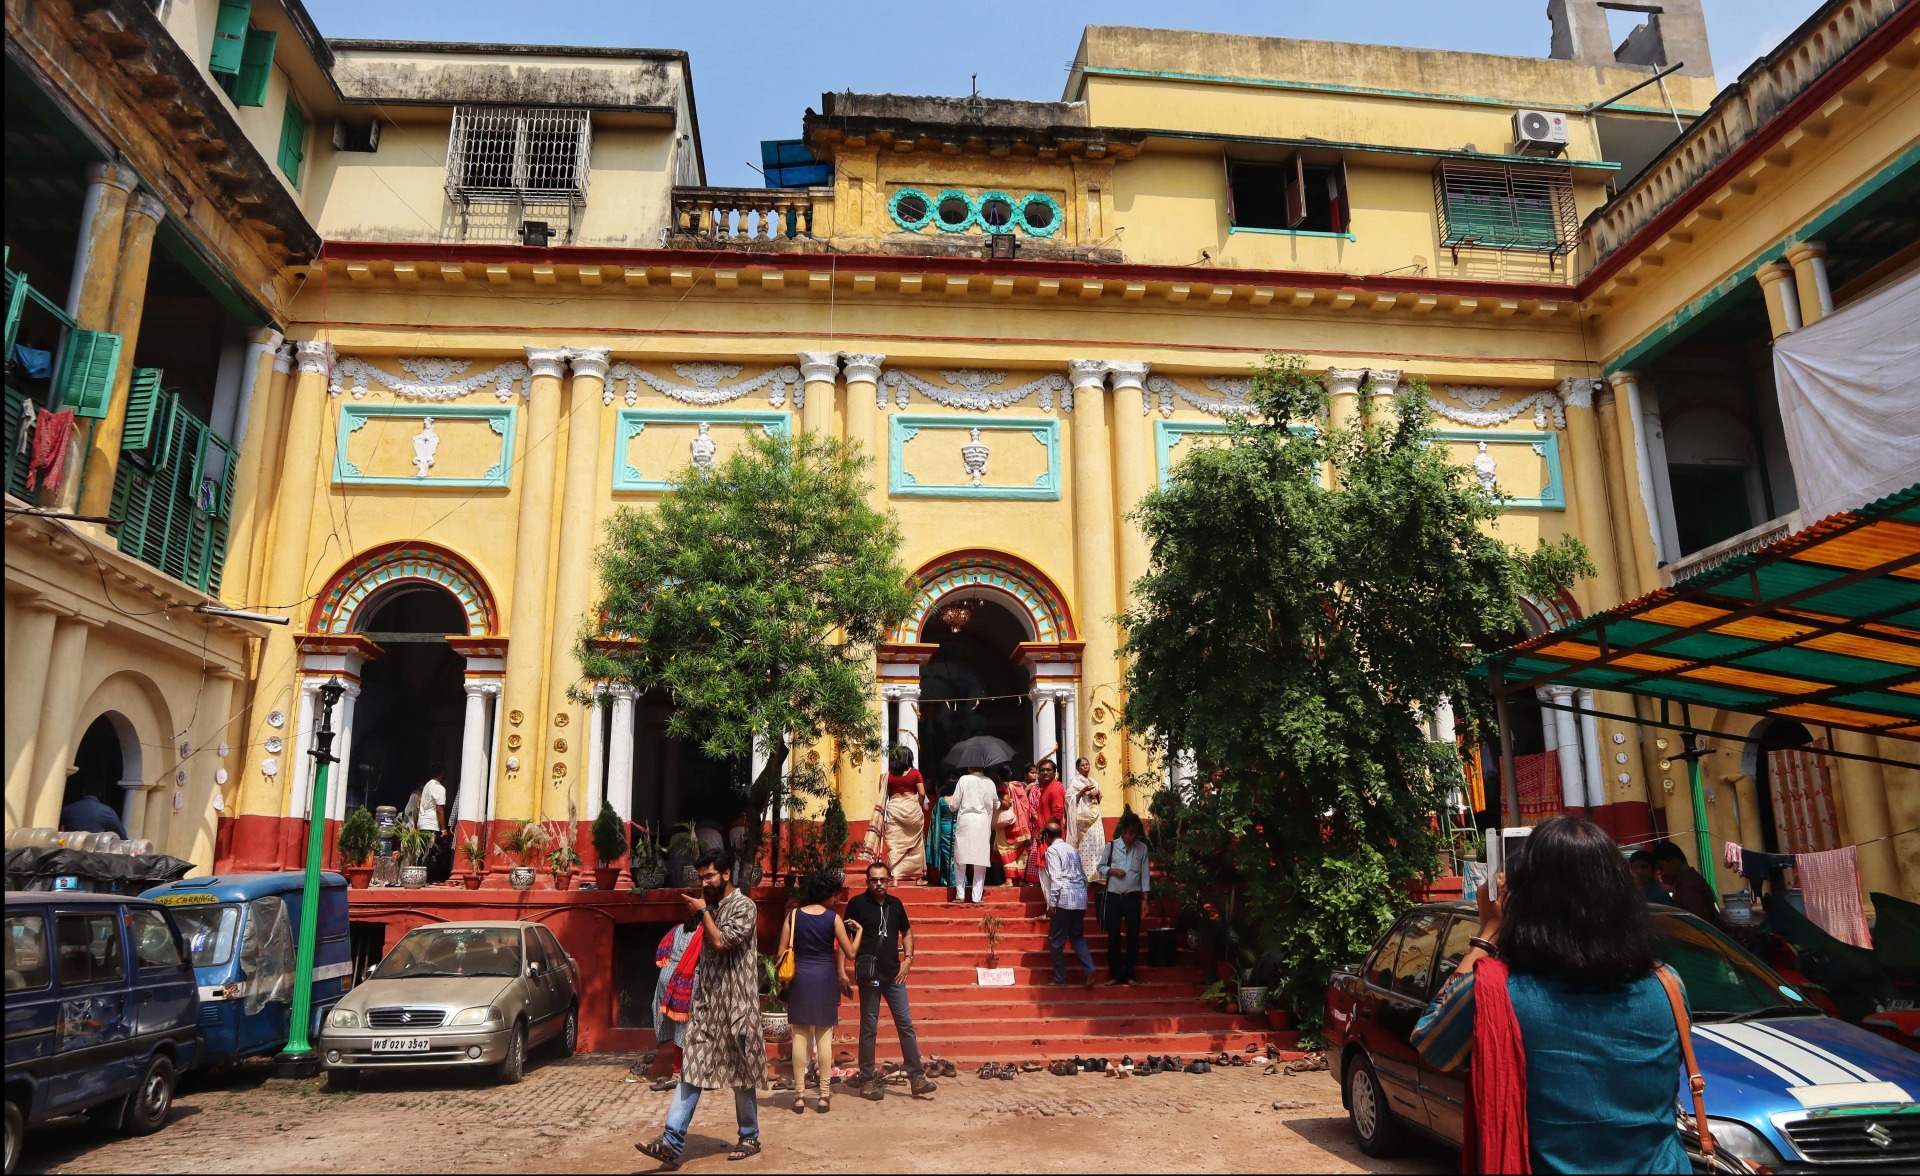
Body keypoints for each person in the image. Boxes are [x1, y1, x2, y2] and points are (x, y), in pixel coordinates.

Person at [1410, 815, 1689, 1174]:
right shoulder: (1669, 986)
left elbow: (1431, 1041)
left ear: (1525, 900)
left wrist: (1488, 932)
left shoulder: (1492, 994)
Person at [638, 848, 764, 1166]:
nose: (705, 882)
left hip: (737, 1006)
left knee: (742, 1074)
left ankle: (749, 1136)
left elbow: (722, 943)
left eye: (710, 875)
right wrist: (704, 911)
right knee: (691, 1070)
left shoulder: (743, 906)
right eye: (701, 876)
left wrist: (703, 912)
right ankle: (671, 1141)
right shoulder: (713, 907)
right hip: (707, 1006)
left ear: (726, 874)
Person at [844, 861, 938, 1101]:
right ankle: (866, 1079)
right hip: (869, 975)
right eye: (874, 880)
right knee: (869, 1027)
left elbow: (906, 932)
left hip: (894, 974)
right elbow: (845, 939)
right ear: (867, 882)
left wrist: (908, 958)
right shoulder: (856, 904)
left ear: (889, 880)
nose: (878, 884)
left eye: (883, 879)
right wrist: (840, 971)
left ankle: (916, 1077)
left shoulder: (896, 904)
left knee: (905, 1024)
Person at [777, 870, 862, 1113]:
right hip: (825, 978)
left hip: (800, 978)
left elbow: (781, 951)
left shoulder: (793, 916)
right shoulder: (833, 918)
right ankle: (824, 1095)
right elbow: (851, 952)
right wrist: (860, 932)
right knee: (824, 1037)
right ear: (826, 896)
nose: (836, 899)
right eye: (834, 895)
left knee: (800, 1036)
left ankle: (799, 1096)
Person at [1041, 822, 1097, 988]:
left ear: (1046, 837)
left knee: (1056, 939)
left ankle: (1059, 978)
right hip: (1079, 896)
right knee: (1077, 936)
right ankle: (1089, 970)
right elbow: (1084, 876)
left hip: (1064, 898)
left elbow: (1056, 878)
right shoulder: (1072, 849)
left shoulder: (1052, 850)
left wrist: (1052, 904)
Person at [1098, 812, 1150, 986]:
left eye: (1135, 833)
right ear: (1123, 831)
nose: (1132, 836)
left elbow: (1145, 876)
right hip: (1114, 897)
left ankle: (1129, 974)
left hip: (1133, 897)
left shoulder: (1142, 848)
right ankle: (1115, 974)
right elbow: (1100, 867)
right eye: (1129, 833)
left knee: (1133, 936)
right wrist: (1112, 871)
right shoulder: (1111, 846)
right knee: (1113, 935)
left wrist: (1145, 899)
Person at [651, 914, 701, 1092]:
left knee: (677, 1025)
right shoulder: (702, 932)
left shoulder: (677, 928)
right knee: (684, 1027)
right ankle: (678, 1072)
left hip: (666, 976)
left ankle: (678, 1070)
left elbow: (661, 950)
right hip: (686, 980)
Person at [951, 764, 998, 904]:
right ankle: (976, 897)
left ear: (969, 768)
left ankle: (960, 895)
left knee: (960, 860)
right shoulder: (989, 782)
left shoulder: (964, 780)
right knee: (980, 861)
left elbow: (953, 805)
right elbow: (996, 804)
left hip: (966, 820)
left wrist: (951, 807)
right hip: (982, 822)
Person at [880, 748, 928, 880]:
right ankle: (917, 877)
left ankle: (895, 876)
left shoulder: (887, 776)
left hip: (894, 808)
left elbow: (884, 795)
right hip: (912, 808)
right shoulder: (915, 773)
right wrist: (917, 804)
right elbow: (922, 793)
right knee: (916, 843)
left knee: (895, 843)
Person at [1650, 841, 1720, 925]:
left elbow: (1699, 925)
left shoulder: (1688, 886)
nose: (1659, 873)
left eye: (1661, 867)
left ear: (1675, 861)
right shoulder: (1686, 883)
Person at [991, 766, 1031, 886]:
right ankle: (1018, 880)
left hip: (1008, 825)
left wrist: (996, 797)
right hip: (1021, 822)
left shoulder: (1002, 787)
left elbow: (1006, 805)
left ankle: (1009, 880)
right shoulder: (1018, 785)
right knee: (1020, 851)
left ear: (999, 776)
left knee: (1006, 850)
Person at [1070, 758, 1107, 877]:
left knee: (1097, 842)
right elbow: (1070, 799)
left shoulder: (1094, 782)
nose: (1085, 767)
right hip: (1083, 818)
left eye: (1087, 764)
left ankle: (1096, 873)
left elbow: (1099, 798)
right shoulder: (1074, 781)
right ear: (1077, 768)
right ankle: (1085, 874)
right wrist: (1083, 791)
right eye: (1082, 765)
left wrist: (1097, 793)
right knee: (1085, 845)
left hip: (1095, 817)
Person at [416, 763, 450, 882]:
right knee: (431, 852)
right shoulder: (438, 787)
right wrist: (444, 829)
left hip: (422, 822)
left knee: (424, 852)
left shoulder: (427, 785)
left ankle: (421, 877)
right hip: (431, 824)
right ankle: (426, 878)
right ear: (442, 773)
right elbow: (440, 809)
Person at [924, 773, 958, 889]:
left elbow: (935, 815)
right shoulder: (960, 800)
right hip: (957, 828)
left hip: (944, 829)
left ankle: (950, 880)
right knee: (958, 854)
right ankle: (958, 879)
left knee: (946, 855)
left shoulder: (942, 801)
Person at [59, 792, 127, 839]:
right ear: (100, 794)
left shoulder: (68, 808)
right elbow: (121, 835)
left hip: (70, 847)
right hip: (93, 851)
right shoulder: (106, 811)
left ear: (84, 792)